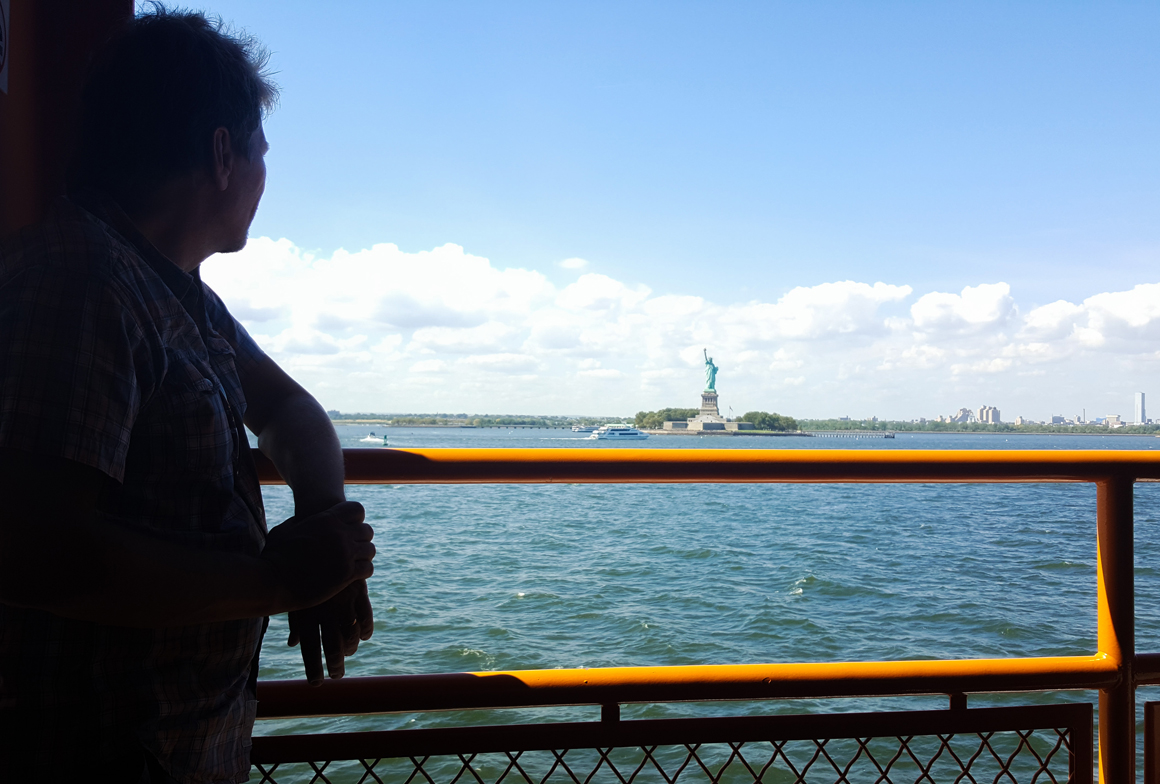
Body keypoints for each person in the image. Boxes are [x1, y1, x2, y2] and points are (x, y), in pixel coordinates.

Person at [0, 8, 376, 782]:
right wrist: (280, 580)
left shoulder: (175, 293)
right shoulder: (83, 283)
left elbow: (289, 410)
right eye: (263, 152)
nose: (268, 179)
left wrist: (322, 527)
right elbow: (36, 552)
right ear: (223, 155)